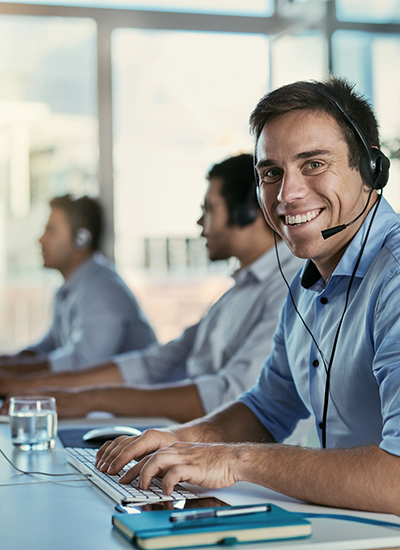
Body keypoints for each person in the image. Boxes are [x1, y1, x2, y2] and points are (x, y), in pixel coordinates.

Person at [93, 76, 400, 517]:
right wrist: (180, 441)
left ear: (371, 171)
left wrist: (236, 460)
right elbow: (266, 408)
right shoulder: (305, 285)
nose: (286, 195)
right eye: (271, 173)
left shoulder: (394, 278)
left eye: (313, 164)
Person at [0, 154, 303, 423]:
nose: (200, 222)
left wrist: (89, 398)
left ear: (247, 212)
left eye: (209, 209)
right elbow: (158, 362)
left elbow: (231, 395)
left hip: (235, 466)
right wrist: (36, 385)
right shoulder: (240, 289)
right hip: (193, 443)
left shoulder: (288, 288)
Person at [0, 195, 156, 378]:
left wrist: (12, 373)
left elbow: (82, 364)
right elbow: (48, 347)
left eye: (51, 230)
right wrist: (10, 362)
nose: (41, 239)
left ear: (81, 238)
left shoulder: (103, 289)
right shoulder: (71, 288)